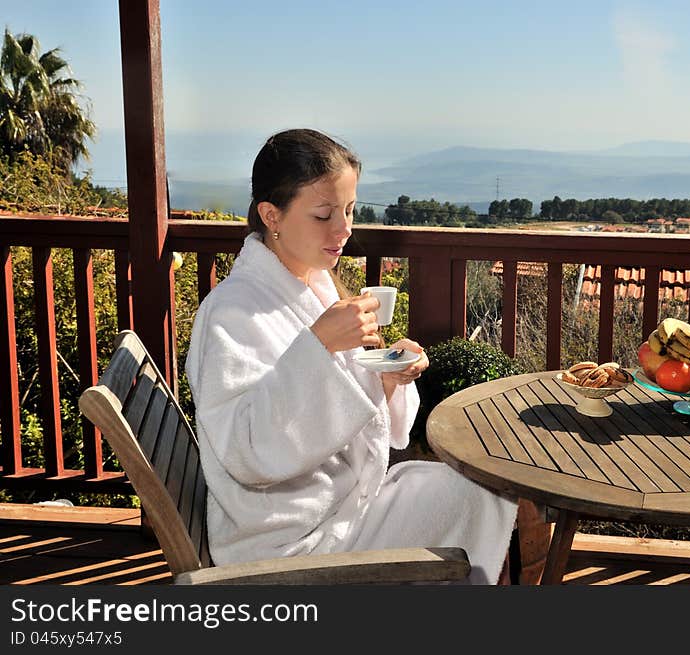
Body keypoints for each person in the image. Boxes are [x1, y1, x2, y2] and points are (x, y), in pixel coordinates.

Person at [185, 128, 518, 584]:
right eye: (323, 215)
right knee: (482, 495)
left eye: (349, 209)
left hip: (338, 505)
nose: (344, 230)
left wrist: (385, 379)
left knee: (489, 484)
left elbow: (334, 399)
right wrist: (318, 345)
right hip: (289, 543)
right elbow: (246, 452)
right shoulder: (230, 314)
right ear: (271, 216)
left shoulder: (313, 286)